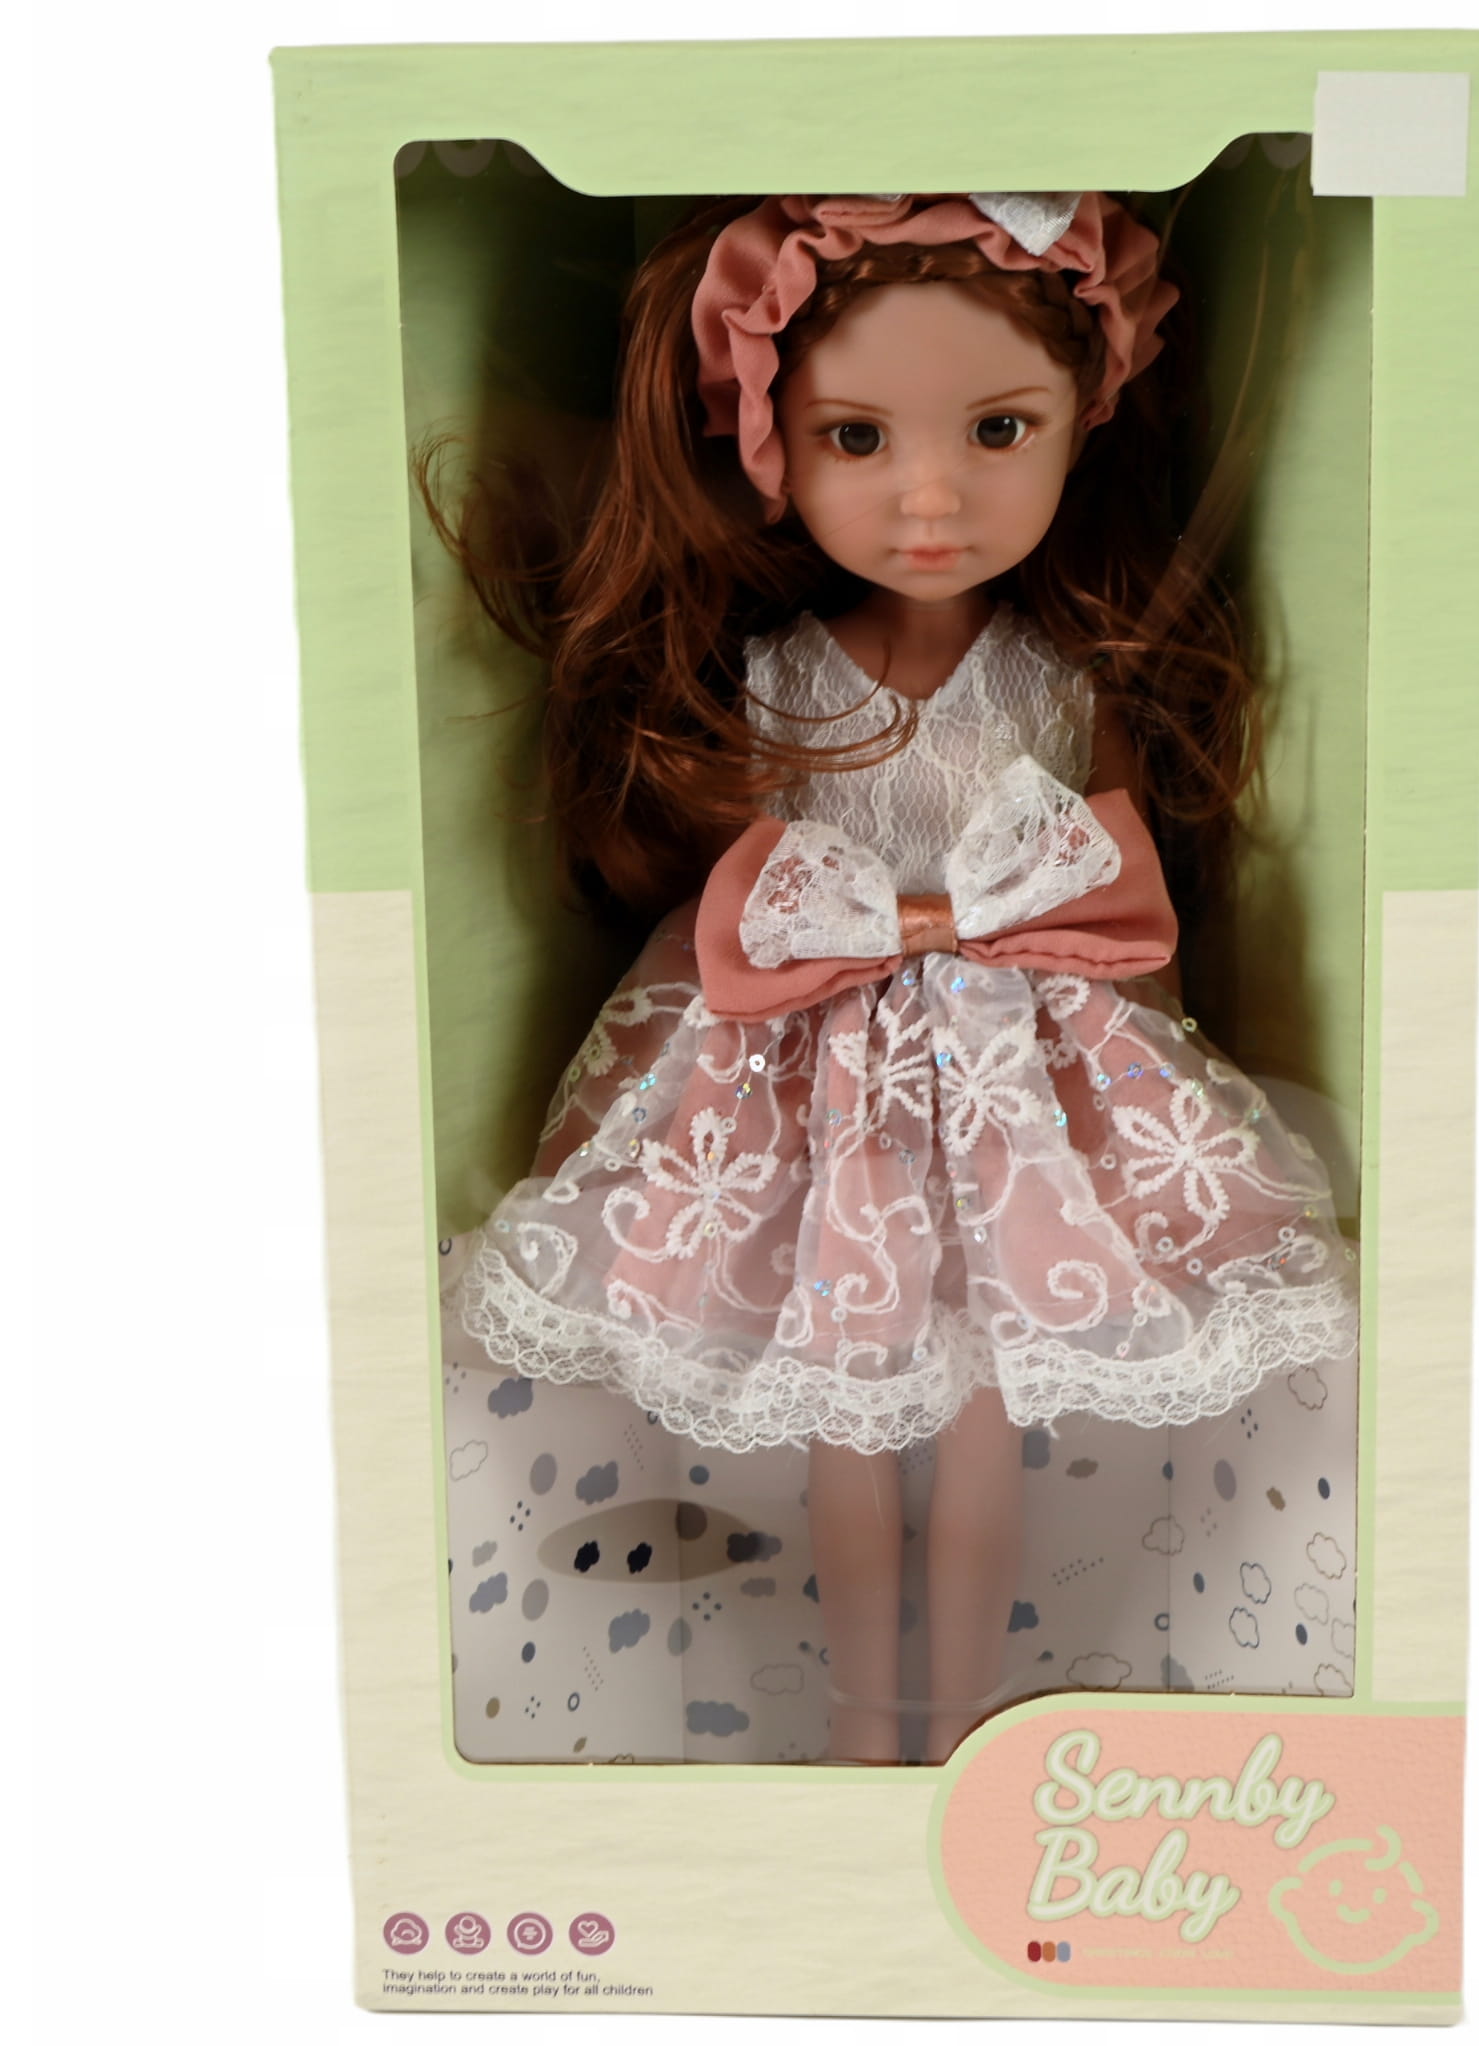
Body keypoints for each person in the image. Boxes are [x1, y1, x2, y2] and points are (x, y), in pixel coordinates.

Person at [439, 192, 1356, 1763]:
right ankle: (872, 1724)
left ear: (1084, 418)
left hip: (1025, 1083)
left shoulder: (1066, 681)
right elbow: (754, 904)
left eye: (999, 429)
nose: (931, 495)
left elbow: (1109, 898)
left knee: (992, 1404)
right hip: (817, 1093)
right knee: (841, 1418)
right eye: (856, 438)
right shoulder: (777, 677)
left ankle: (974, 1721)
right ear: (769, 443)